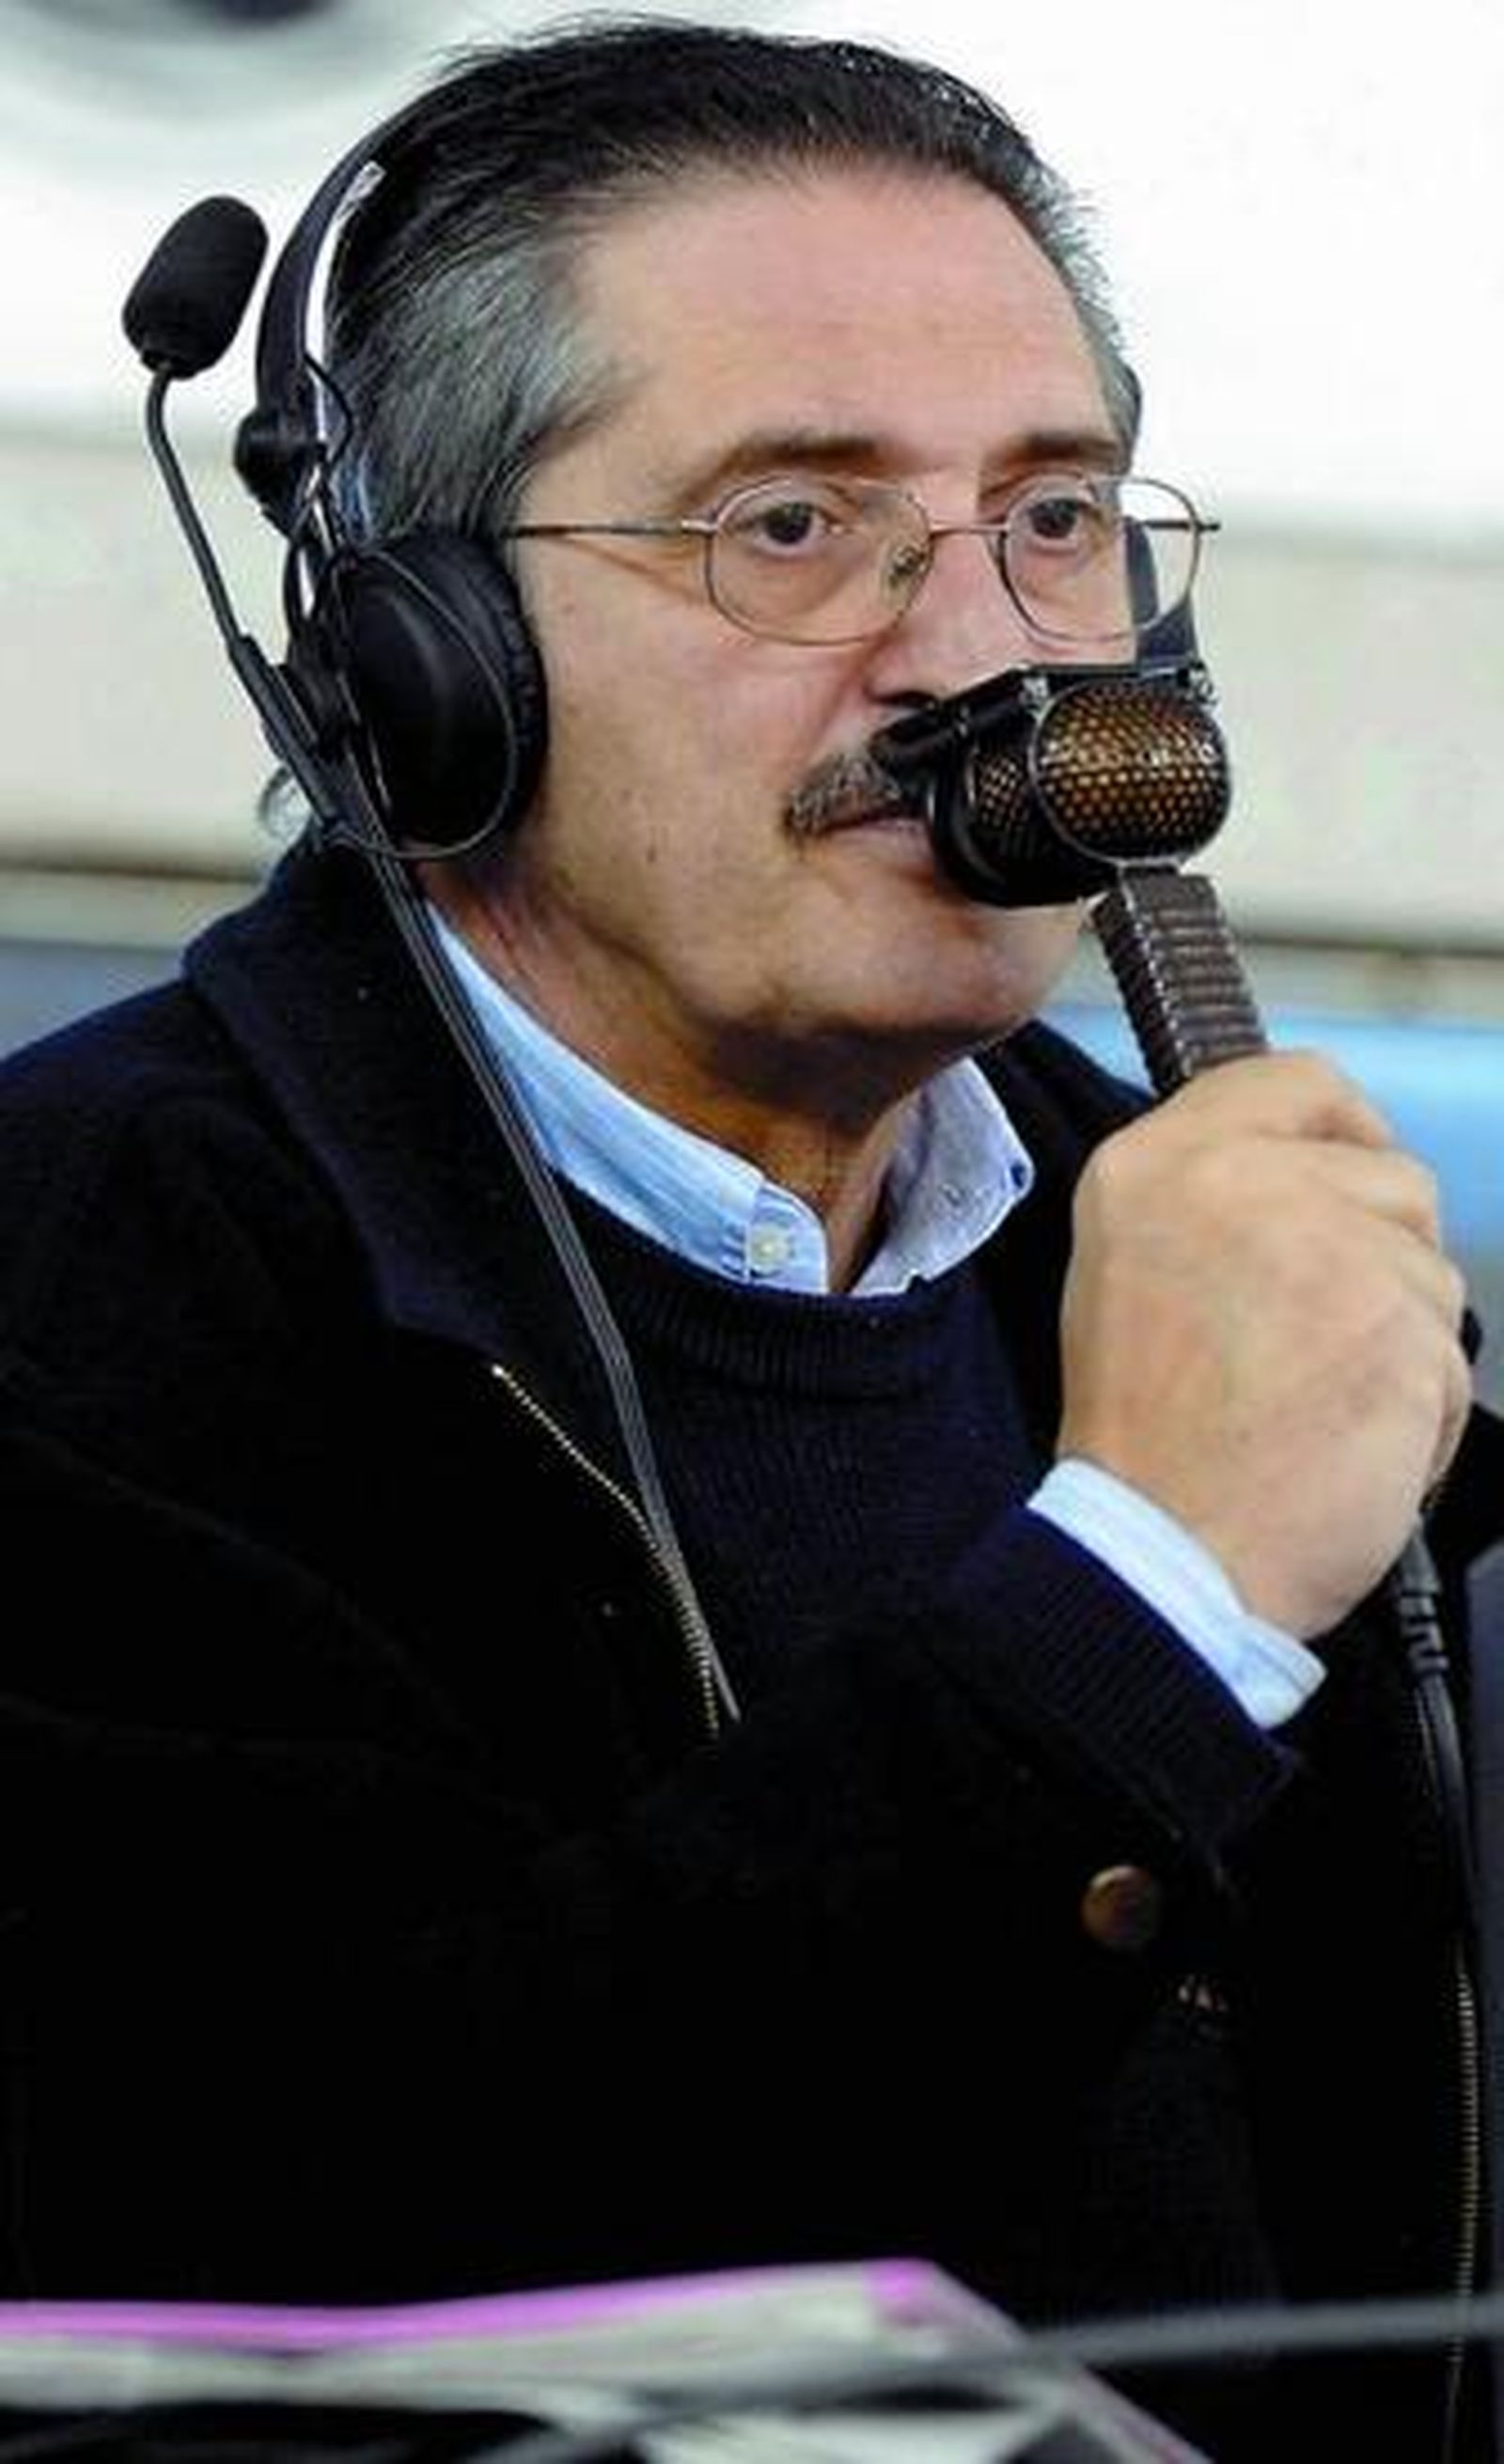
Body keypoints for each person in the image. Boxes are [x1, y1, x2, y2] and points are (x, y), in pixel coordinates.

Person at [0, 15, 1499, 2456]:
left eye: (1054, 515)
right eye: (794, 527)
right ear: (420, 661)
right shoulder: (86, 1307)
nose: (988, 659)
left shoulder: (1226, 1263)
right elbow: (282, 2262)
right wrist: (1144, 1601)